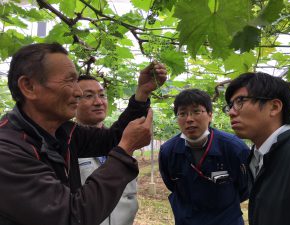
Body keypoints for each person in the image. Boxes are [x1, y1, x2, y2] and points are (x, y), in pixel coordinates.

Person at [0, 43, 167, 225]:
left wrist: (141, 94)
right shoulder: (7, 152)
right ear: (29, 87)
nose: (78, 92)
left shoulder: (63, 132)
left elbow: (111, 138)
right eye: (69, 81)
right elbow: (71, 217)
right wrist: (125, 150)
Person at [159, 88, 250, 225]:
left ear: (210, 115)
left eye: (196, 112)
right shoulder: (168, 151)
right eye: (182, 113)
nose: (189, 119)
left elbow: (245, 188)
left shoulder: (234, 148)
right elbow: (171, 184)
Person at [223, 72, 290, 225]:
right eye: (230, 106)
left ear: (274, 107)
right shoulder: (257, 157)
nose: (231, 112)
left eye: (240, 101)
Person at [76, 75, 138, 225]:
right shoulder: (66, 144)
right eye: (88, 96)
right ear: (73, 102)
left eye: (102, 95)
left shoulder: (122, 140)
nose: (98, 102)